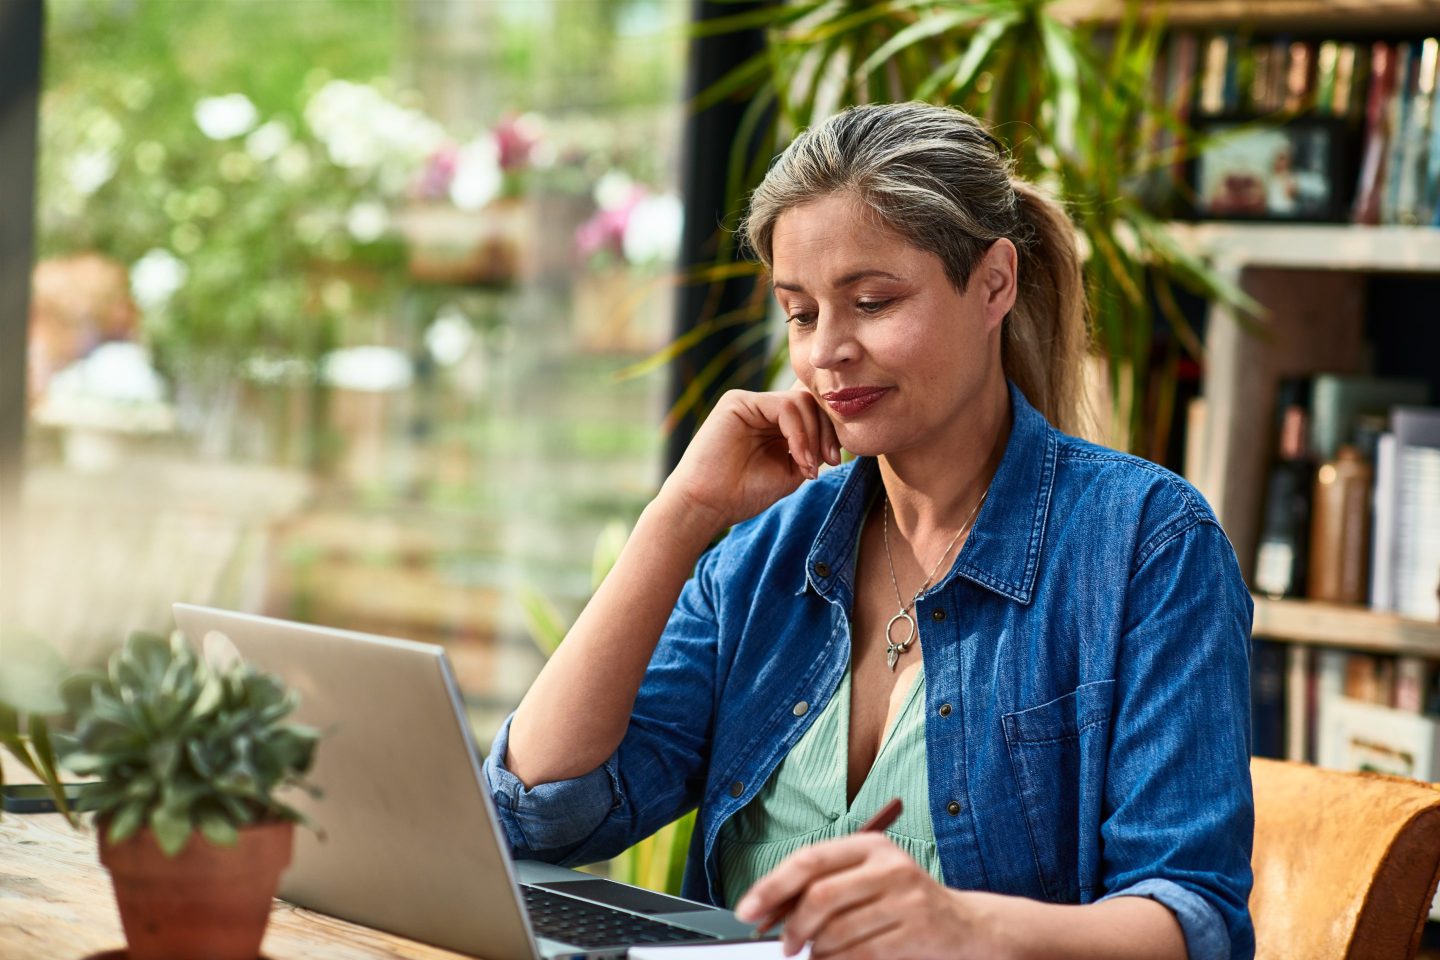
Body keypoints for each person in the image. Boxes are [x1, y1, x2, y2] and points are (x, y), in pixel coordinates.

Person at [484, 101, 1254, 960]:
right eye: (802, 313)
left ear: (994, 283)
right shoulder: (773, 550)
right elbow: (539, 812)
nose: (827, 353)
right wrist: (680, 516)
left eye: (873, 302)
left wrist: (965, 926)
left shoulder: (1146, 542)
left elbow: (1197, 922)